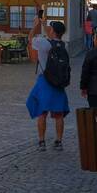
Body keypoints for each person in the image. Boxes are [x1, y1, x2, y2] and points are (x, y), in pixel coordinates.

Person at [26, 19, 71, 150]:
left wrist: (36, 26)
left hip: (44, 81)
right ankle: (58, 142)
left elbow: (30, 38)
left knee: (42, 113)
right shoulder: (64, 46)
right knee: (59, 114)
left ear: (52, 31)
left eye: (50, 29)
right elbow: (53, 36)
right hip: (58, 83)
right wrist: (45, 24)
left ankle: (41, 142)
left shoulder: (42, 43)